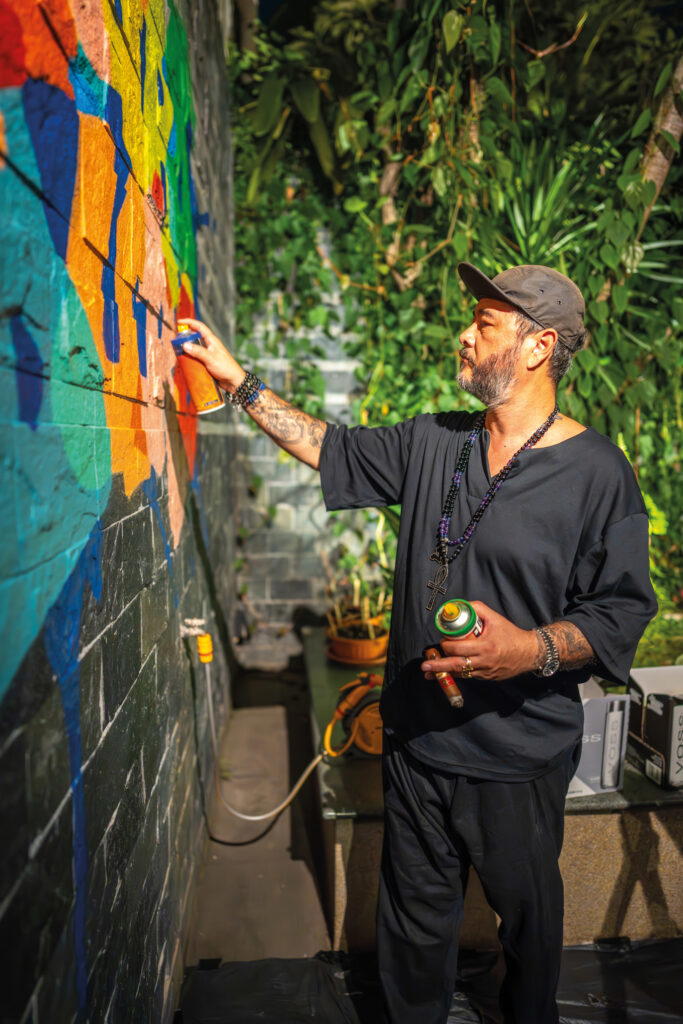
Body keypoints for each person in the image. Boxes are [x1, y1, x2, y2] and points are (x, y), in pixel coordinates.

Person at [179, 261, 658, 1024]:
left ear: (538, 346)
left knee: (527, 925)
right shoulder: (437, 440)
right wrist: (237, 382)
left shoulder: (597, 474)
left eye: (484, 324)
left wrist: (526, 650)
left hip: (516, 755)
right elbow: (329, 448)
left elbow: (618, 613)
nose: (464, 336)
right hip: (416, 741)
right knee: (411, 928)